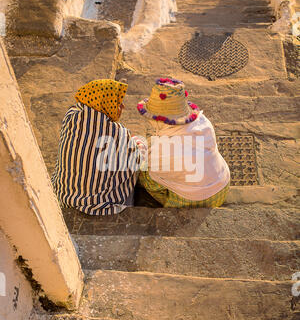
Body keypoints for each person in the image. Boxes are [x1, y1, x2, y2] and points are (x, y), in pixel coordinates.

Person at [51, 79, 141, 216]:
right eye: (117, 102)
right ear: (105, 104)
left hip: (64, 196)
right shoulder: (118, 133)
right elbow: (135, 164)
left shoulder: (71, 116)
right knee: (138, 151)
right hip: (98, 205)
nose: (122, 107)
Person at [136, 77, 230, 207]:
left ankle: (167, 200)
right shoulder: (203, 122)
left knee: (146, 175)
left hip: (191, 200)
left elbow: (152, 170)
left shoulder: (162, 150)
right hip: (221, 187)